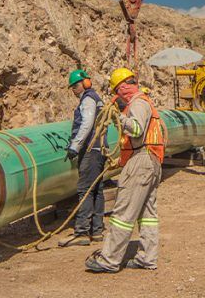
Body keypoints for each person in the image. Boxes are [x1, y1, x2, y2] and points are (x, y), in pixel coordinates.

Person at [85, 68, 166, 273]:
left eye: (116, 91)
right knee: (147, 213)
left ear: (122, 87)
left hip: (140, 160)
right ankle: (147, 258)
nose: (116, 96)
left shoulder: (137, 103)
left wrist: (117, 118)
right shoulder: (146, 101)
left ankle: (109, 259)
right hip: (151, 160)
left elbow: (136, 129)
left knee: (123, 211)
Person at [59, 69, 107, 247]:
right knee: (97, 189)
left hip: (90, 150)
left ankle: (82, 232)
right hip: (100, 149)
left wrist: (74, 147)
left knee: (85, 189)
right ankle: (97, 231)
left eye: (75, 85)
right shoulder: (97, 98)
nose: (73, 89)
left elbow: (86, 124)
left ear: (85, 83)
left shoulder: (88, 99)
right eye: (71, 87)